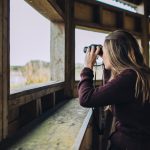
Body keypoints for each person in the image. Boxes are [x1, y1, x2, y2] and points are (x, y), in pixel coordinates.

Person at [77, 30, 150, 150]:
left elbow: (86, 98)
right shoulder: (140, 74)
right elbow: (111, 90)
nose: (103, 55)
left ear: (114, 54)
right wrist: (106, 64)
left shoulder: (128, 78)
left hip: (129, 145)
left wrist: (87, 67)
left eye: (105, 52)